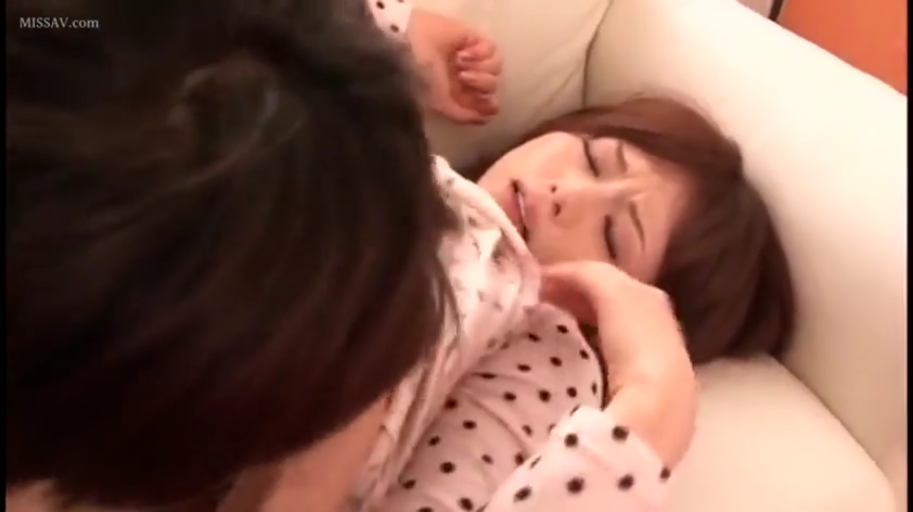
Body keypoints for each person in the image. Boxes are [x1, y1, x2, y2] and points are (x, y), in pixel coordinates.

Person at [350, 97, 796, 511]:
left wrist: (651, 403)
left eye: (613, 237)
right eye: (594, 160)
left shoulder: (543, 350)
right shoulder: (406, 162)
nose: (567, 195)